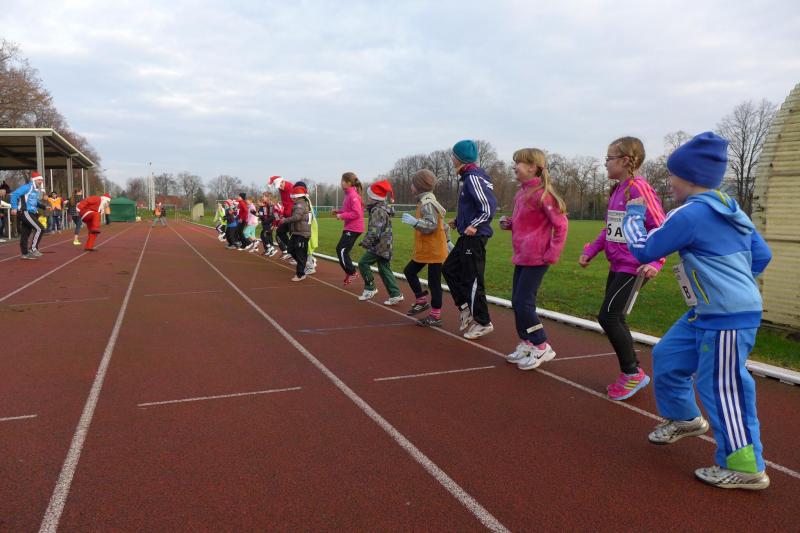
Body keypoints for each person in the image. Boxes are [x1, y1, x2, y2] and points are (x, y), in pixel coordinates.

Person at [623, 131, 772, 490]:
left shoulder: (689, 214)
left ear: (689, 178)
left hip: (727, 316)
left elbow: (644, 249)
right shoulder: (732, 209)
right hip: (708, 311)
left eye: (672, 175)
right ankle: (684, 418)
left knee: (722, 388)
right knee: (668, 355)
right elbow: (762, 255)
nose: (669, 182)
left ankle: (744, 466)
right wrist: (730, 282)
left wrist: (633, 216)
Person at [579, 136, 666, 400]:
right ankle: (632, 372)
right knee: (615, 317)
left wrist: (655, 262)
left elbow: (661, 228)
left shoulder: (639, 189)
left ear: (626, 160)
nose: (605, 163)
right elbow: (610, 229)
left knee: (608, 316)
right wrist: (591, 251)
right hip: (618, 263)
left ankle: (632, 373)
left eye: (609, 158)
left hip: (636, 266)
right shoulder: (618, 190)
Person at [501, 148, 568, 370]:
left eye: (518, 163)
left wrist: (552, 253)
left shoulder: (543, 194)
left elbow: (561, 225)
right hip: (521, 256)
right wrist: (509, 224)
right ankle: (527, 342)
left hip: (538, 258)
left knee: (524, 302)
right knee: (516, 301)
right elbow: (524, 222)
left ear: (532, 167)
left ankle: (541, 345)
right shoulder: (520, 194)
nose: (514, 167)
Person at [442, 139, 498, 340]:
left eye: (453, 155)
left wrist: (474, 224)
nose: (451, 159)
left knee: (472, 280)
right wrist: (459, 221)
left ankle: (483, 322)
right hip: (467, 235)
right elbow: (472, 206)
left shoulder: (473, 177)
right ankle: (465, 308)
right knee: (449, 269)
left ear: (460, 158)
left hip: (476, 237)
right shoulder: (469, 177)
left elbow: (488, 207)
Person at [400, 170, 449, 327]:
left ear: (419, 186)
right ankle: (421, 300)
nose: (411, 187)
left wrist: (415, 222)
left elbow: (432, 225)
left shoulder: (427, 203)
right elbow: (442, 224)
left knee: (434, 282)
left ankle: (435, 315)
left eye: (413, 184)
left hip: (434, 249)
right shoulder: (425, 201)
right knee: (409, 271)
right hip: (427, 248)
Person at [357, 180, 403, 304]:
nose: (367, 199)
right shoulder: (381, 209)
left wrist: (366, 242)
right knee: (384, 269)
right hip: (386, 244)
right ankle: (395, 294)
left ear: (374, 198)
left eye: (369, 196)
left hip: (379, 246)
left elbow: (375, 230)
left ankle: (370, 288)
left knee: (363, 263)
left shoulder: (377, 211)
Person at [334, 172, 365, 285]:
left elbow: (356, 213)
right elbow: (348, 210)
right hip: (350, 227)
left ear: (348, 183)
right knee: (343, 250)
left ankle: (351, 272)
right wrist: (338, 212)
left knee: (341, 250)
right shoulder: (348, 194)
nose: (341, 183)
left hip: (354, 228)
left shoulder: (353, 195)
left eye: (342, 181)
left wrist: (341, 216)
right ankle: (350, 272)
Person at [279, 182, 312, 281]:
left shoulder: (300, 204)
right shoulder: (298, 204)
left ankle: (300, 274)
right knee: (290, 249)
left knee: (300, 253)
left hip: (302, 233)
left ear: (296, 197)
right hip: (297, 232)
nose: (291, 198)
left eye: (292, 196)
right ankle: (304, 262)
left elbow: (297, 217)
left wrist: (284, 220)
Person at [9, 171, 47, 259]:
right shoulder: (27, 187)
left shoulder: (36, 190)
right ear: (34, 180)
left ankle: (25, 253)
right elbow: (14, 194)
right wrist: (14, 207)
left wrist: (44, 207)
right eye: (39, 180)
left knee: (26, 233)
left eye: (41, 180)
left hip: (31, 212)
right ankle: (33, 249)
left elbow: (34, 202)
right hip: (25, 212)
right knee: (40, 228)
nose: (40, 182)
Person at [269, 176, 294, 259]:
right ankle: (291, 251)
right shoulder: (281, 189)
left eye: (280, 185)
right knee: (280, 232)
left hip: (293, 216)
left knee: (294, 236)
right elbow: (285, 204)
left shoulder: (291, 188)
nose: (280, 187)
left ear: (283, 181)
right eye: (278, 186)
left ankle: (306, 258)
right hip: (286, 216)